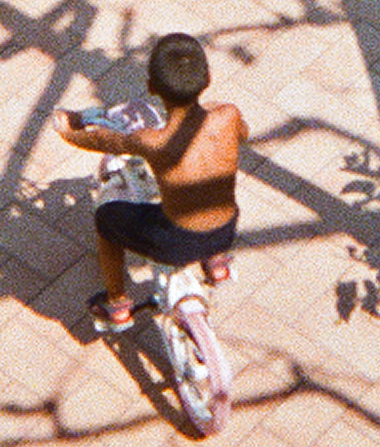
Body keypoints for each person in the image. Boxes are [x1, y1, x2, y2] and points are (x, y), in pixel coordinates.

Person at [56, 33, 244, 333]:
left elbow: (106, 140)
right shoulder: (229, 115)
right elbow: (241, 134)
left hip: (174, 242)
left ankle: (116, 303)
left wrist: (70, 130)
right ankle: (217, 262)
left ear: (151, 87)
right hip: (226, 230)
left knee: (106, 219)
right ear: (208, 77)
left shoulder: (152, 140)